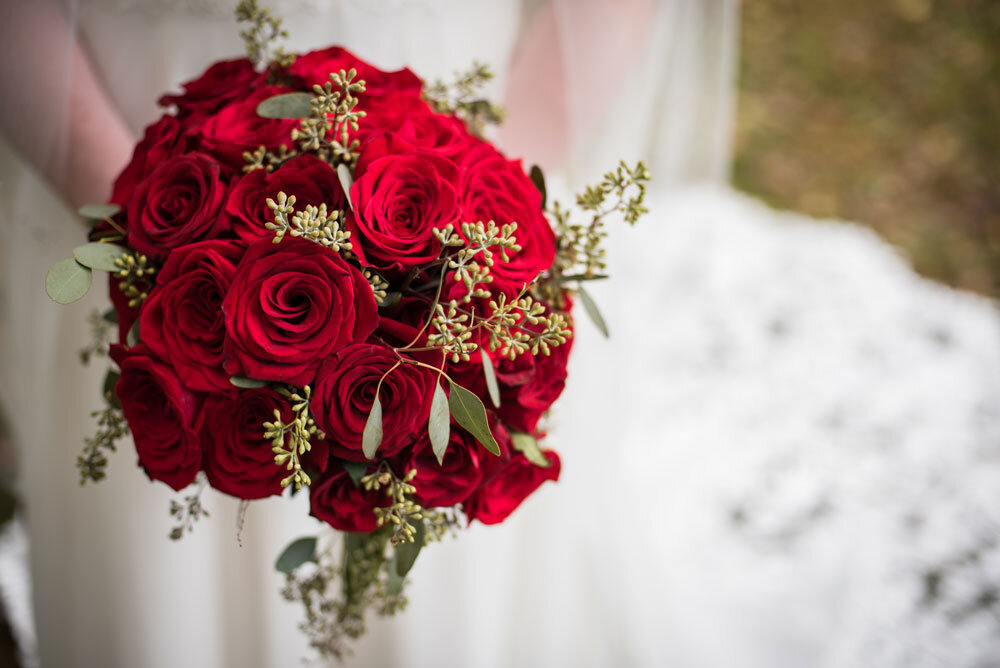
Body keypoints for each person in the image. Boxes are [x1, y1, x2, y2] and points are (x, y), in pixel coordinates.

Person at [1, 1, 998, 667]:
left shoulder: (465, 215)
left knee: (458, 543)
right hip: (127, 134)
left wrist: (486, 215)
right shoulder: (152, 209)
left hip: (455, 115)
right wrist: (158, 220)